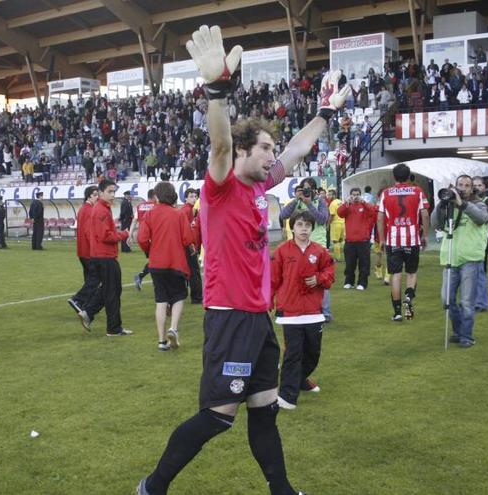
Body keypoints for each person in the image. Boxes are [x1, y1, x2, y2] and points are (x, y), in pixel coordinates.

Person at [137, 25, 349, 495]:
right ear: (245, 152)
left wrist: (323, 115)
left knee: (265, 409)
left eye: (272, 149)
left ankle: (282, 491)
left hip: (257, 319)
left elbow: (296, 150)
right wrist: (217, 93)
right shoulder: (222, 186)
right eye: (265, 149)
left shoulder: (258, 186)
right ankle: (152, 486)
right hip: (229, 317)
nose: (274, 156)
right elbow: (218, 145)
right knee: (217, 418)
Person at [271, 210, 334, 410]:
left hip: (314, 312)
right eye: (299, 224)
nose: (304, 228)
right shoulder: (282, 251)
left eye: (307, 225)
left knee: (313, 354)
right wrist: (267, 302)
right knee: (293, 354)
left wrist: (319, 279)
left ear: (312, 228)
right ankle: (287, 396)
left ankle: (300, 379)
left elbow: (329, 273)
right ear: (292, 227)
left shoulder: (320, 251)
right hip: (290, 312)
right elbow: (273, 280)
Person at [432, 175, 488, 348]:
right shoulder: (449, 206)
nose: (463, 188)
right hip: (451, 257)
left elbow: (481, 219)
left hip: (471, 258)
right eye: (460, 185)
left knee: (466, 301)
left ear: (472, 188)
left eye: (467, 185)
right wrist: (442, 202)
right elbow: (435, 223)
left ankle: (466, 336)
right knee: (446, 299)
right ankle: (458, 330)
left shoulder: (480, 204)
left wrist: (462, 204)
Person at [138, 182, 195, 351]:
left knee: (160, 300)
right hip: (176, 262)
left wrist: (150, 251)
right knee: (178, 296)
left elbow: (142, 239)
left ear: (157, 195)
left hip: (156, 263)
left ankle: (162, 341)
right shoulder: (179, 215)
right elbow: (187, 239)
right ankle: (173, 328)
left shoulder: (149, 215)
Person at [376, 163, 430, 322]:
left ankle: (397, 312)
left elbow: (379, 218)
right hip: (412, 239)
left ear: (394, 177)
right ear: (409, 176)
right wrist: (425, 236)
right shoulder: (417, 191)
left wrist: (382, 239)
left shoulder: (386, 193)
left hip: (393, 239)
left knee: (396, 274)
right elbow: (425, 215)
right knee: (412, 273)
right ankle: (409, 296)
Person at [279, 177, 331, 321]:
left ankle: (325, 312)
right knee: (296, 278)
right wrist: (297, 200)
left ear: (314, 190)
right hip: (299, 246)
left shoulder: (320, 201)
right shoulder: (298, 201)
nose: (306, 192)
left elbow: (322, 219)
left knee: (321, 280)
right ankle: (299, 308)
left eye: (309, 189)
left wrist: (309, 205)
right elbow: (283, 215)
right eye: (304, 189)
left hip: (318, 245)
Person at [87, 179, 133, 336]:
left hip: (103, 255)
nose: (113, 195)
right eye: (110, 192)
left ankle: (88, 312)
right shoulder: (101, 210)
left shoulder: (103, 208)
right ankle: (113, 327)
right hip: (105, 256)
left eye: (114, 191)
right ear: (100, 193)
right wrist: (124, 234)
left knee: (110, 289)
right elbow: (106, 236)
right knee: (112, 291)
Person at [67, 186, 100, 331]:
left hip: (82, 251)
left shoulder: (82, 209)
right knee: (96, 278)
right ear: (88, 196)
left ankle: (85, 307)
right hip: (89, 251)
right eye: (94, 195)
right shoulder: (89, 210)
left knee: (89, 278)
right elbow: (88, 232)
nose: (97, 197)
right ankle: (78, 300)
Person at [337, 187, 377, 290]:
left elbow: (373, 212)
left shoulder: (364, 205)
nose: (355, 197)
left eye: (357, 194)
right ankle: (349, 282)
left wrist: (363, 202)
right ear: (350, 195)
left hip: (363, 241)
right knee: (350, 264)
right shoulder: (347, 206)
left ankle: (362, 283)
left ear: (360, 195)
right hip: (350, 241)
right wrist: (346, 203)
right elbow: (339, 213)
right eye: (353, 194)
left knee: (364, 264)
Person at [471, 177, 488, 312]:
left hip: (480, 241)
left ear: (484, 188)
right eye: (474, 185)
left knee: (479, 273)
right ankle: (474, 300)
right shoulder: (469, 202)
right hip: (470, 241)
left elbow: (485, 218)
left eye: (479, 185)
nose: (477, 188)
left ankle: (481, 302)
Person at [181, 188, 203, 304]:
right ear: (185, 198)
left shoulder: (190, 209)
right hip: (189, 245)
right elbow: (187, 230)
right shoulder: (187, 210)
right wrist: (192, 244)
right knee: (194, 272)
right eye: (191, 196)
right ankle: (197, 297)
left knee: (189, 271)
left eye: (195, 196)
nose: (194, 199)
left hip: (189, 244)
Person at [132, 189, 156, 290]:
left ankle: (140, 276)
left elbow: (134, 221)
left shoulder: (140, 206)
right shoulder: (156, 206)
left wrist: (130, 234)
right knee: (155, 261)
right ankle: (157, 284)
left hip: (143, 237)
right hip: (153, 237)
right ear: (154, 196)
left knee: (153, 260)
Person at [326, 189, 344, 261]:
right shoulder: (340, 202)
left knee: (335, 241)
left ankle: (337, 258)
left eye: (330, 195)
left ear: (334, 195)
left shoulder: (332, 203)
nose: (328, 196)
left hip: (336, 224)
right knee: (341, 240)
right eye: (328, 195)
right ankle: (343, 256)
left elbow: (332, 215)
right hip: (343, 223)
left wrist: (328, 224)